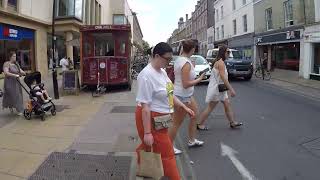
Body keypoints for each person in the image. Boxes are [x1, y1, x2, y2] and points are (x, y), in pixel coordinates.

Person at [136, 42, 195, 180]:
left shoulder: (161, 72)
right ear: (157, 56)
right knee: (167, 154)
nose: (169, 62)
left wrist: (184, 106)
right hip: (150, 118)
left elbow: (170, 93)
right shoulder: (146, 75)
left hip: (161, 118)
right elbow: (145, 107)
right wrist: (147, 132)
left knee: (154, 148)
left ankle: (147, 166)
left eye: (170, 59)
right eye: (167, 59)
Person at [169, 39, 205, 155]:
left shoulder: (180, 59)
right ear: (193, 49)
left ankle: (192, 140)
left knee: (194, 115)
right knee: (176, 123)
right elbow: (185, 84)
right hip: (182, 96)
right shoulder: (185, 63)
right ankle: (169, 147)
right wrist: (199, 79)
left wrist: (191, 65)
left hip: (186, 95)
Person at [198, 45, 243, 130]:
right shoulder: (220, 63)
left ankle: (232, 122)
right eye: (228, 52)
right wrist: (231, 89)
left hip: (220, 89)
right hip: (216, 89)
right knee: (210, 107)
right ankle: (199, 123)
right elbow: (223, 78)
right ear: (223, 52)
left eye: (229, 52)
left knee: (227, 104)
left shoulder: (220, 62)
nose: (229, 54)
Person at [2, 51, 26, 116]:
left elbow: (20, 70)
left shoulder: (16, 64)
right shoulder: (7, 63)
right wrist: (15, 75)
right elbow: (6, 72)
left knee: (18, 95)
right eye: (14, 56)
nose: (15, 58)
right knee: (12, 95)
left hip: (16, 82)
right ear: (10, 57)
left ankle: (19, 108)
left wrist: (24, 73)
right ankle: (18, 109)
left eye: (15, 56)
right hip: (9, 82)